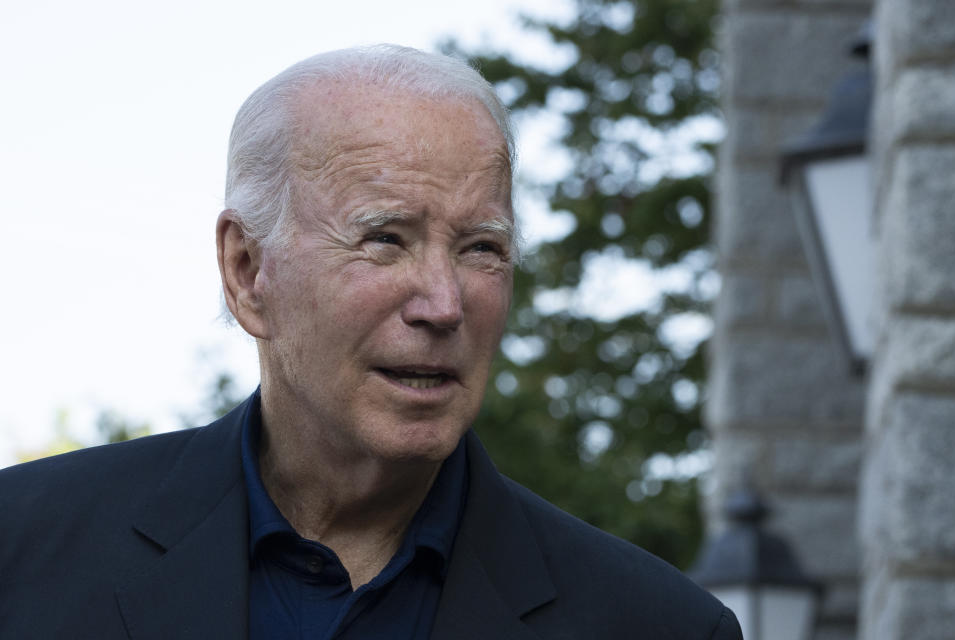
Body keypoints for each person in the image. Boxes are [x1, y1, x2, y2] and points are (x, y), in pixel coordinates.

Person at [0, 45, 741, 639]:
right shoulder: (22, 552)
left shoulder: (655, 624)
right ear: (247, 270)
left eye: (482, 248)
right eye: (385, 239)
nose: (444, 304)